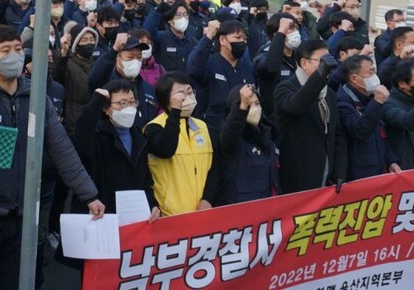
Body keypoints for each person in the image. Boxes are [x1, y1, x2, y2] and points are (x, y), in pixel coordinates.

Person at [0, 25, 104, 290]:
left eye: (18, 49)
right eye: (5, 51)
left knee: (14, 281)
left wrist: (89, 194)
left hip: (22, 211)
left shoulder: (36, 95)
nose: (14, 55)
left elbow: (61, 148)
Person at [73, 81, 159, 220]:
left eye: (132, 102)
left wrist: (152, 204)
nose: (129, 108)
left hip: (134, 216)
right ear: (106, 109)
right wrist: (96, 102)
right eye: (122, 103)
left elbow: (146, 179)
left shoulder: (139, 136)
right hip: (102, 214)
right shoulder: (97, 135)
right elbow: (82, 138)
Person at [273, 40, 346, 193]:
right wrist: (321, 74)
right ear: (304, 63)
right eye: (322, 61)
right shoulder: (285, 87)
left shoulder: (329, 94)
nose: (328, 66)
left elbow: (337, 134)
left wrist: (339, 171)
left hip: (325, 171)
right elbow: (296, 106)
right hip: (296, 173)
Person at [143, 72, 218, 216]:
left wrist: (208, 198)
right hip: (170, 214)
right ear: (166, 99)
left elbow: (214, 166)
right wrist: (175, 112)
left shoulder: (202, 126)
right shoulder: (153, 127)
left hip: (201, 212)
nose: (187, 98)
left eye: (189, 92)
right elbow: (166, 149)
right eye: (180, 94)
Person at [337, 55, 401, 180]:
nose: (374, 77)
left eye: (374, 71)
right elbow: (360, 131)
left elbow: (381, 135)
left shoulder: (369, 98)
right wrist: (377, 102)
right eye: (370, 73)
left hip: (379, 170)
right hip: (359, 176)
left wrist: (391, 160)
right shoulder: (343, 103)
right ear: (354, 78)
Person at [187, 19, 254, 134]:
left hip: (240, 130)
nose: (242, 42)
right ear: (222, 40)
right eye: (238, 38)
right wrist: (208, 37)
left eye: (244, 39)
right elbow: (194, 68)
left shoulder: (246, 68)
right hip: (212, 129)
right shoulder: (210, 62)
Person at [217, 84, 279, 205]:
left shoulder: (268, 134)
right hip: (242, 212)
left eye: (256, 103)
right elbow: (230, 135)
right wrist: (242, 108)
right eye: (248, 105)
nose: (254, 108)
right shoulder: (233, 136)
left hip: (268, 208)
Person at [87, 34, 158, 127]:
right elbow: (94, 79)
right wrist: (114, 50)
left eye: (139, 57)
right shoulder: (107, 84)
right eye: (130, 57)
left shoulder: (147, 88)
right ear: (118, 58)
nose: (135, 61)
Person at [253, 14, 300, 118]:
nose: (296, 32)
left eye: (297, 28)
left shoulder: (299, 57)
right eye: (291, 28)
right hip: (274, 119)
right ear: (277, 33)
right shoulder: (263, 56)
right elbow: (271, 67)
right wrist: (281, 34)